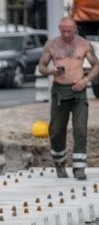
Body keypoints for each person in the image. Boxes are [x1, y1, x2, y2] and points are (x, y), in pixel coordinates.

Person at [38, 16, 99, 180]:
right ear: (60, 29)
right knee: (56, 130)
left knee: (80, 129)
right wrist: (52, 71)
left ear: (75, 28)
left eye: (69, 31)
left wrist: (85, 80)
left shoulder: (84, 44)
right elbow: (41, 67)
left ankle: (79, 168)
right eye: (63, 31)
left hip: (78, 91)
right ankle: (59, 163)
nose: (66, 34)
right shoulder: (52, 45)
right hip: (59, 90)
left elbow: (96, 65)